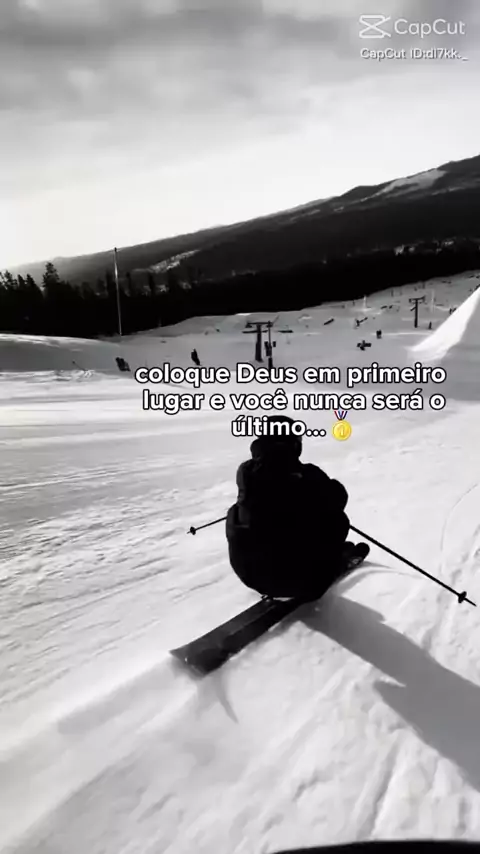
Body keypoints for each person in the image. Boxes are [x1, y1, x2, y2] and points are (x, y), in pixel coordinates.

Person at [226, 415, 367, 600]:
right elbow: (339, 497)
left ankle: (282, 572)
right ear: (292, 443)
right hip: (301, 582)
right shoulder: (308, 475)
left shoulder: (245, 471)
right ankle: (326, 566)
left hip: (249, 574)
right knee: (337, 520)